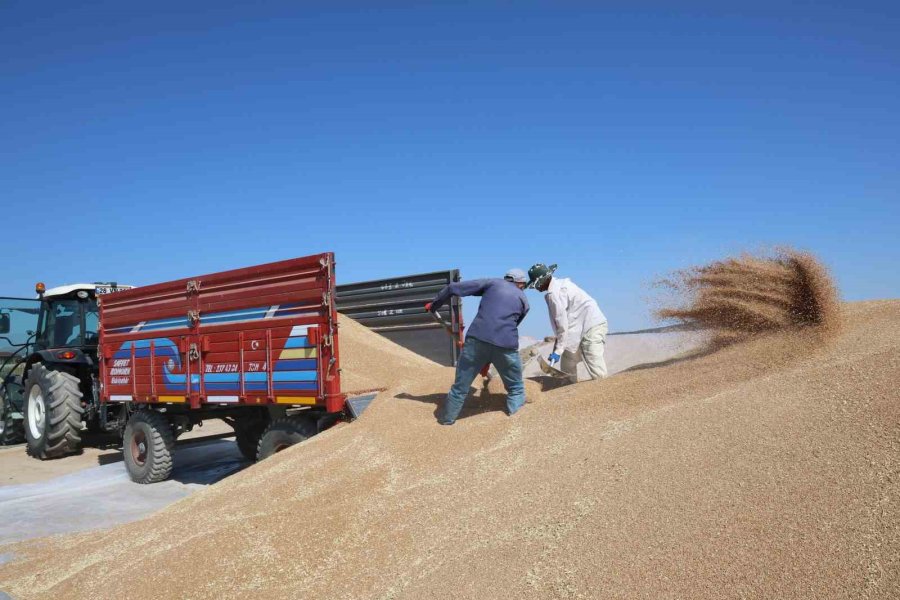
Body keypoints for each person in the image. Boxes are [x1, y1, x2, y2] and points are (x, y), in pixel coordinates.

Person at [426, 268, 530, 425]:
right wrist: (490, 358)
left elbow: (453, 288)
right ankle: (516, 426)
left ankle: (446, 422)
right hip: (506, 344)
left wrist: (434, 305)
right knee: (516, 388)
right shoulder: (524, 300)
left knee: (460, 388)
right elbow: (510, 326)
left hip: (477, 339)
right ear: (520, 283)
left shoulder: (492, 283)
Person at [527, 263, 608, 383]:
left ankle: (605, 388)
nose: (536, 288)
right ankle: (569, 390)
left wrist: (557, 351)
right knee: (568, 360)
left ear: (543, 281)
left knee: (593, 359)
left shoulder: (554, 294)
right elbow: (564, 324)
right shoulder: (559, 285)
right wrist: (558, 348)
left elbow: (561, 324)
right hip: (580, 327)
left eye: (536, 284)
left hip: (591, 326)